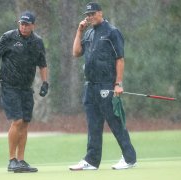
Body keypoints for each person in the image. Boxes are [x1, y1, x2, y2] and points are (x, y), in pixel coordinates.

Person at [69, 2, 137, 170]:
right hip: (90, 86)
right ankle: (92, 160)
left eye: (93, 13)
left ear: (100, 13)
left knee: (114, 122)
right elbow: (76, 53)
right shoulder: (89, 32)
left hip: (107, 85)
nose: (90, 17)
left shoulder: (112, 32)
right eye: (88, 14)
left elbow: (120, 59)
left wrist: (118, 84)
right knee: (93, 124)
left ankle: (129, 158)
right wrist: (79, 31)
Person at [0, 11, 48, 173]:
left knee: (25, 122)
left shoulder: (37, 42)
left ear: (33, 25)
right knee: (17, 120)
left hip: (26, 87)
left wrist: (45, 82)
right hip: (9, 85)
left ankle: (21, 160)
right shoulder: (8, 37)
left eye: (27, 24)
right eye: (21, 23)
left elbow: (42, 64)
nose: (24, 27)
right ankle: (12, 160)